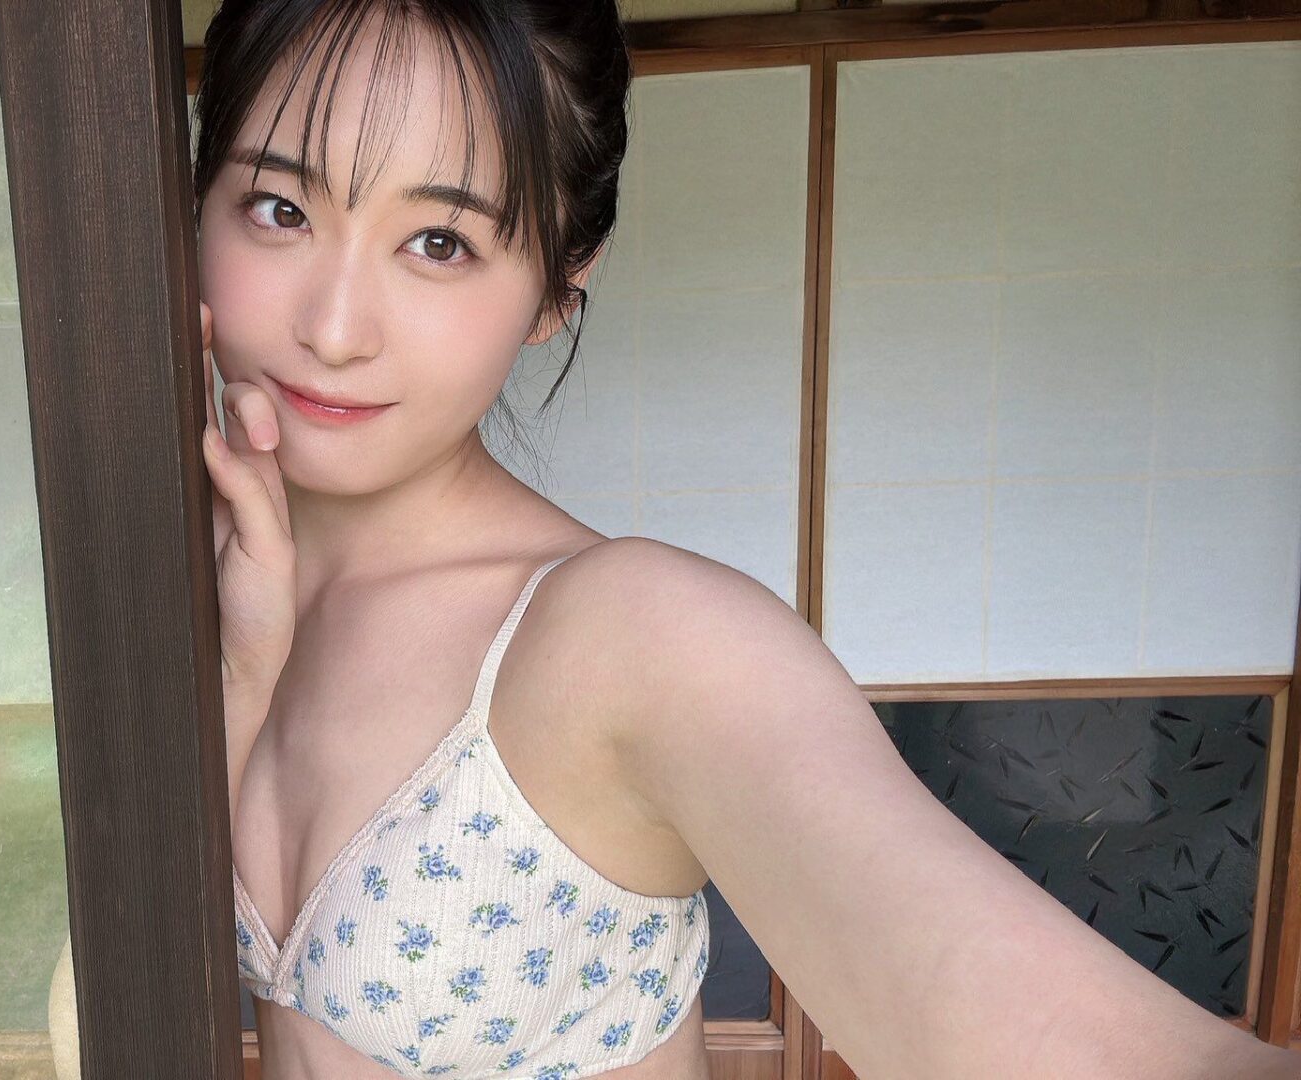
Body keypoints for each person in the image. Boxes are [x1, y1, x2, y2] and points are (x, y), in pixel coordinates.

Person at [191, 2, 1299, 1078]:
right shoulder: (200, 573)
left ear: (559, 286)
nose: (334, 328)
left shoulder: (631, 640)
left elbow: (1074, 1040)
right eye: (280, 210)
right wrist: (236, 675)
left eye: (440, 242)